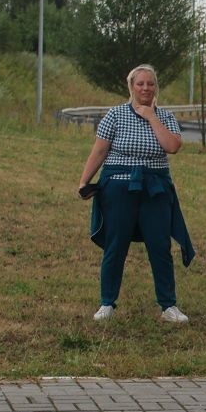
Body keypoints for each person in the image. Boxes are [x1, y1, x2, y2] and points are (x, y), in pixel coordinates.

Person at [77, 64, 195, 323]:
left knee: (159, 246)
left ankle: (168, 306)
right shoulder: (115, 115)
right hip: (119, 188)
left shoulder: (164, 116)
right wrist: (84, 181)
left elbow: (173, 146)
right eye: (140, 83)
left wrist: (150, 116)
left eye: (150, 84)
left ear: (156, 88)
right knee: (115, 245)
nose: (145, 88)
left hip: (155, 190)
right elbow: (99, 151)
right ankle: (107, 303)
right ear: (131, 87)